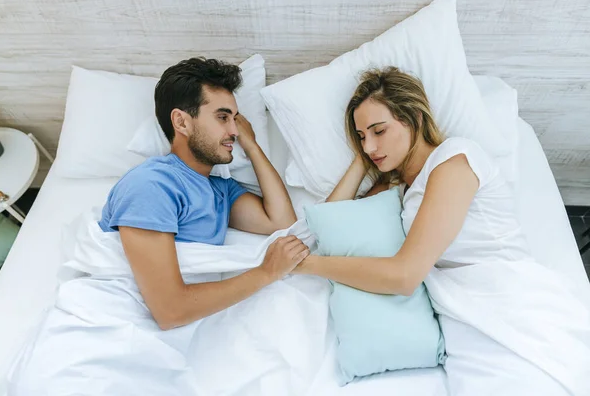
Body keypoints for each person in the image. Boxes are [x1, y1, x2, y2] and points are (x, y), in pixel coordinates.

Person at [292, 67, 588, 393]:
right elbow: (332, 220)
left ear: (415, 119)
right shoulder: (397, 189)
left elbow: (405, 276)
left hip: (507, 300)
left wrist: (309, 265)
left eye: (379, 131)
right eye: (362, 137)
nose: (370, 145)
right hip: (461, 322)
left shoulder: (455, 161)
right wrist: (362, 160)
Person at [98, 57, 309, 330]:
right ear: (182, 122)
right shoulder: (151, 185)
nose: (233, 131)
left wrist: (252, 145)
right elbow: (170, 311)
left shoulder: (219, 189)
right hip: (115, 322)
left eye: (236, 120)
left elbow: (280, 223)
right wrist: (267, 272)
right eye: (222, 117)